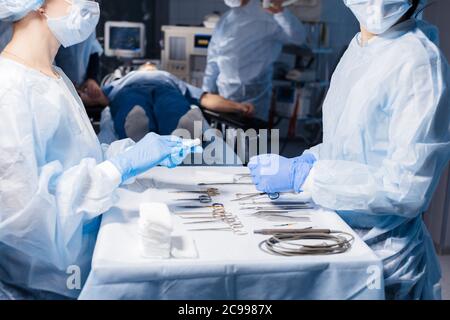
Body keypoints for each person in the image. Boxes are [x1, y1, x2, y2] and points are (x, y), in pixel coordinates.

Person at [249, 0, 449, 300]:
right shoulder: (361, 48)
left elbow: (407, 189)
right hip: (340, 233)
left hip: (385, 256)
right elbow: (347, 143)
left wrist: (307, 176)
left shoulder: (419, 61)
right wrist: (310, 159)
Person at [0, 0, 199, 299]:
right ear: (38, 4)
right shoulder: (10, 88)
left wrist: (124, 154)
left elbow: (75, 158)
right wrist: (116, 170)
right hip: (48, 279)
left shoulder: (52, 76)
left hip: (86, 250)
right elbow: (24, 218)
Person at [79, 63, 255, 142]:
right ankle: (138, 129)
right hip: (131, 90)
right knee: (134, 107)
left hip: (165, 89)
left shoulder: (168, 77)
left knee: (170, 106)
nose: (149, 65)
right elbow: (100, 100)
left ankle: (181, 128)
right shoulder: (124, 79)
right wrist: (85, 94)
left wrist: (237, 106)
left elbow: (206, 98)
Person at [203, 0, 306, 121]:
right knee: (228, 137)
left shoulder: (269, 16)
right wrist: (205, 94)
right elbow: (213, 61)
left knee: (255, 137)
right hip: (225, 95)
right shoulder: (225, 21)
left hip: (256, 95)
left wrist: (280, 13)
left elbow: (298, 38)